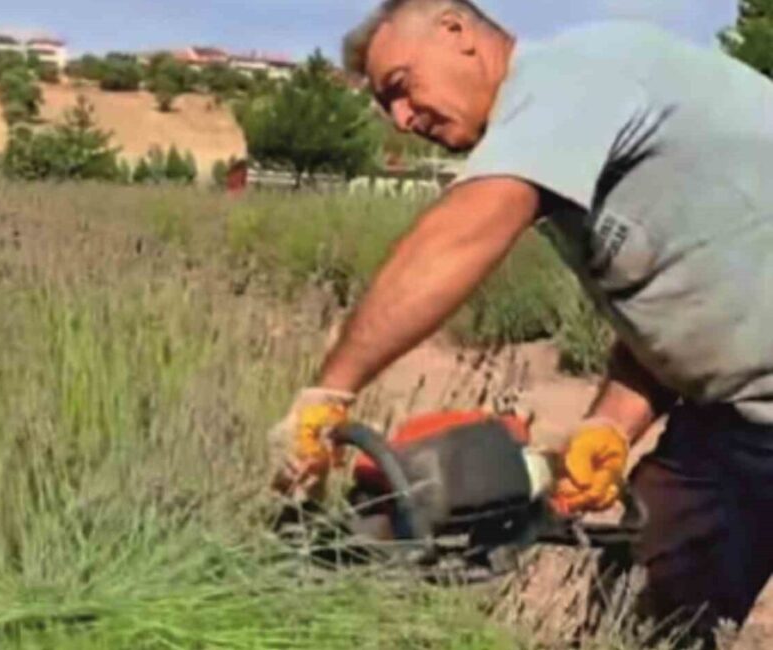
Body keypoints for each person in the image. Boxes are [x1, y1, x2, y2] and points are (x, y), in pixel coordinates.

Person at [268, 0, 773, 645]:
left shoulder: (575, 71)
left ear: (455, 30)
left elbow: (467, 228)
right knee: (646, 614)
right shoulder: (573, 145)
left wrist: (330, 388)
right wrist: (610, 428)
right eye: (385, 108)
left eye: (400, 86)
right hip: (736, 422)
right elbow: (675, 303)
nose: (401, 118)